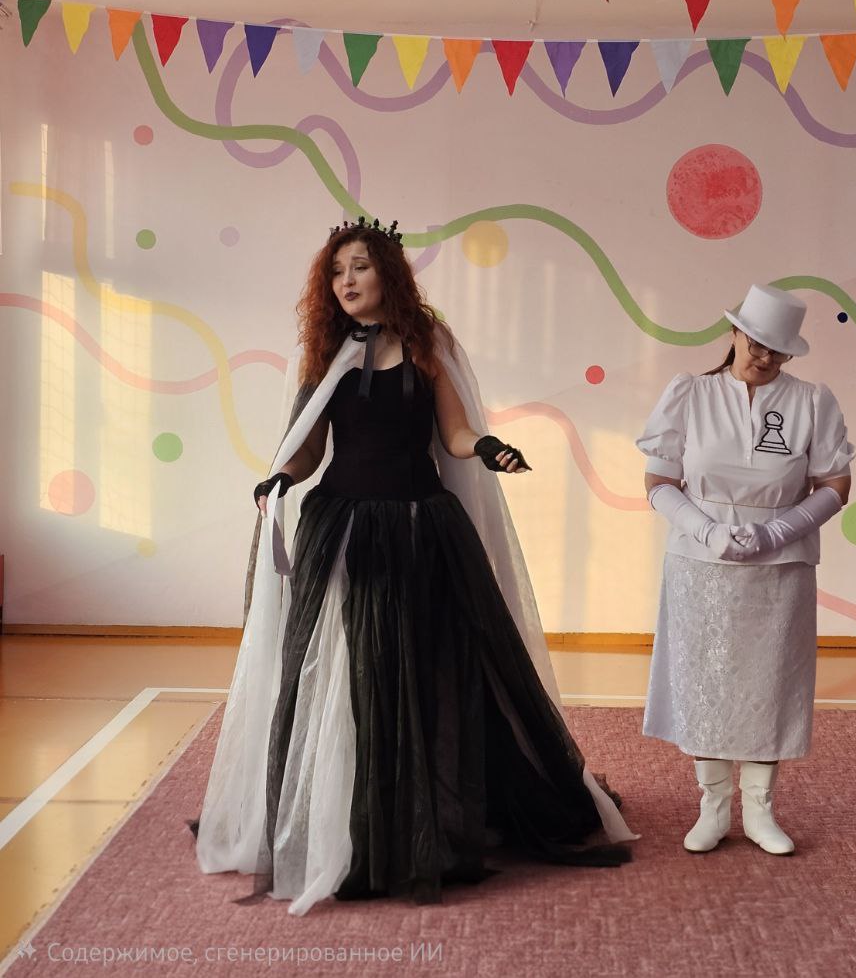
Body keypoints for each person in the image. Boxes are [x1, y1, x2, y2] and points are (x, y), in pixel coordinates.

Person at [195, 216, 634, 915]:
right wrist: (279, 477)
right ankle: (350, 823)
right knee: (345, 674)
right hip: (343, 529)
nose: (346, 281)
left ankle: (425, 822)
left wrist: (484, 448)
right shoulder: (323, 351)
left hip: (419, 528)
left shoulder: (429, 344)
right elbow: (308, 448)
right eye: (337, 270)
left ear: (389, 274)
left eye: (360, 266)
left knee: (426, 672)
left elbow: (454, 432)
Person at [637, 284, 854, 855]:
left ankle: (760, 809)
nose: (764, 356)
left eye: (777, 349)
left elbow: (835, 484)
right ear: (734, 333)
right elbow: (659, 481)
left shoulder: (811, 402)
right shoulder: (690, 394)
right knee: (705, 681)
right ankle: (712, 807)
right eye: (756, 343)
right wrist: (706, 529)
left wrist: (779, 530)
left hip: (780, 567)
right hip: (699, 564)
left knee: (769, 683)